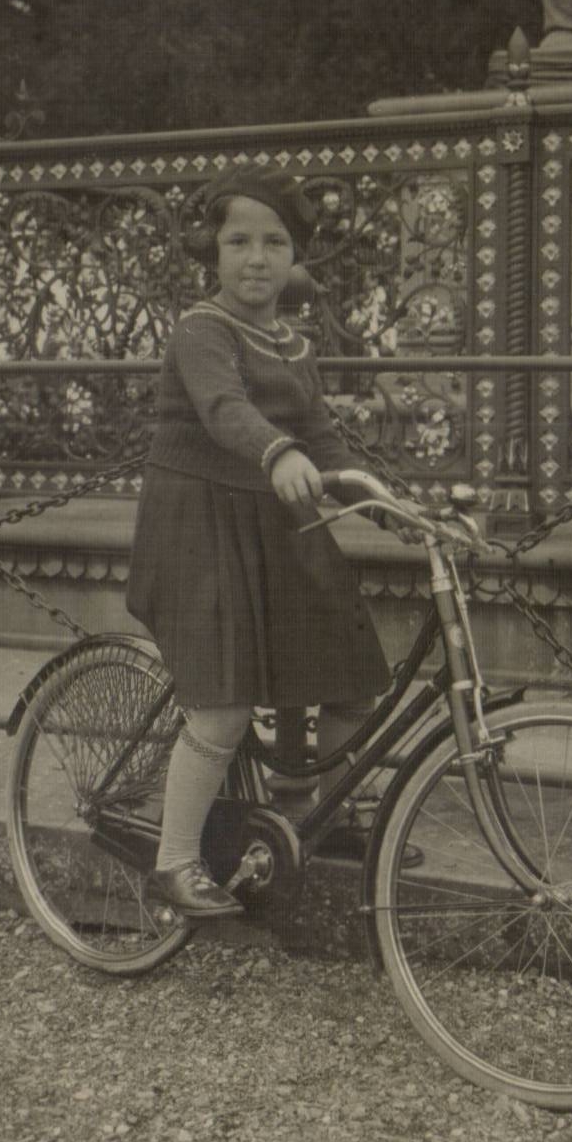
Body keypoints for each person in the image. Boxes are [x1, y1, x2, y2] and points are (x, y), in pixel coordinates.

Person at [126, 168, 411, 919]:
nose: (256, 258)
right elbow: (223, 408)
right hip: (200, 523)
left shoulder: (294, 343)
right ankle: (174, 862)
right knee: (221, 710)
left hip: (274, 521)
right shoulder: (202, 330)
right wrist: (279, 453)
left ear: (295, 259)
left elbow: (323, 437)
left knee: (352, 683)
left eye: (274, 242)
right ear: (212, 254)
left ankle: (302, 807)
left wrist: (384, 501)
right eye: (238, 242)